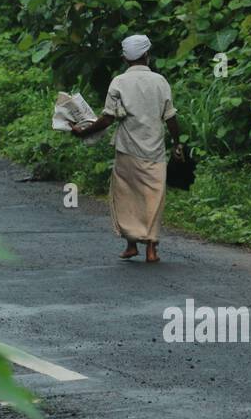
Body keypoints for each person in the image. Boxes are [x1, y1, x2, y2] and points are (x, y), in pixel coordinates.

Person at [72, 34, 184, 262]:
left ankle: (131, 244)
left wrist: (83, 131)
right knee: (154, 197)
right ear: (146, 55)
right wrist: (177, 142)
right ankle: (151, 248)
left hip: (127, 149)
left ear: (125, 58)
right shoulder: (160, 81)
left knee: (127, 196)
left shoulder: (119, 82)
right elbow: (170, 117)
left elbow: (107, 119)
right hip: (154, 150)